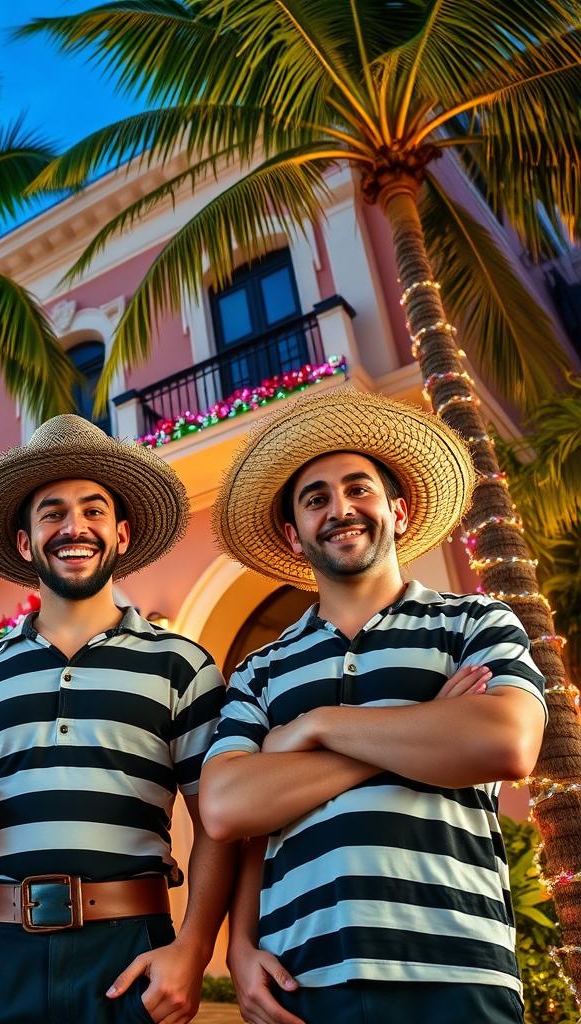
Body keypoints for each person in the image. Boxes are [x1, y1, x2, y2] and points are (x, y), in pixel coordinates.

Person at [200, 389, 547, 1024]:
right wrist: (427, 728)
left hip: (459, 969)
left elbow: (507, 742)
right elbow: (226, 808)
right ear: (293, 534)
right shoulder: (260, 669)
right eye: (316, 499)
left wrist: (315, 728)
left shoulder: (474, 621)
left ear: (400, 510)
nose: (340, 509)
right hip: (301, 982)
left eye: (358, 489)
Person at [0, 414, 233, 1024]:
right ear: (24, 543)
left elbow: (219, 825)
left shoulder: (181, 665)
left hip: (130, 955)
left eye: (94, 511)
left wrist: (193, 950)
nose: (75, 527)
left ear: (120, 534)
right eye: (52, 513)